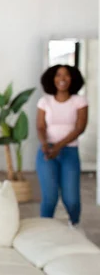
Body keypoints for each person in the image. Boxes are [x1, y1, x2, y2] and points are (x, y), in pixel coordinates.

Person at [36, 64, 88, 229]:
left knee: (71, 198)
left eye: (66, 75)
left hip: (69, 152)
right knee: (49, 198)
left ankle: (74, 225)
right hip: (47, 153)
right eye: (58, 75)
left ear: (73, 79)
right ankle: (46, 230)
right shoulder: (45, 101)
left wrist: (58, 146)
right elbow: (40, 126)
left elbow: (80, 127)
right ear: (52, 79)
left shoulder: (79, 101)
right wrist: (45, 145)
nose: (62, 79)